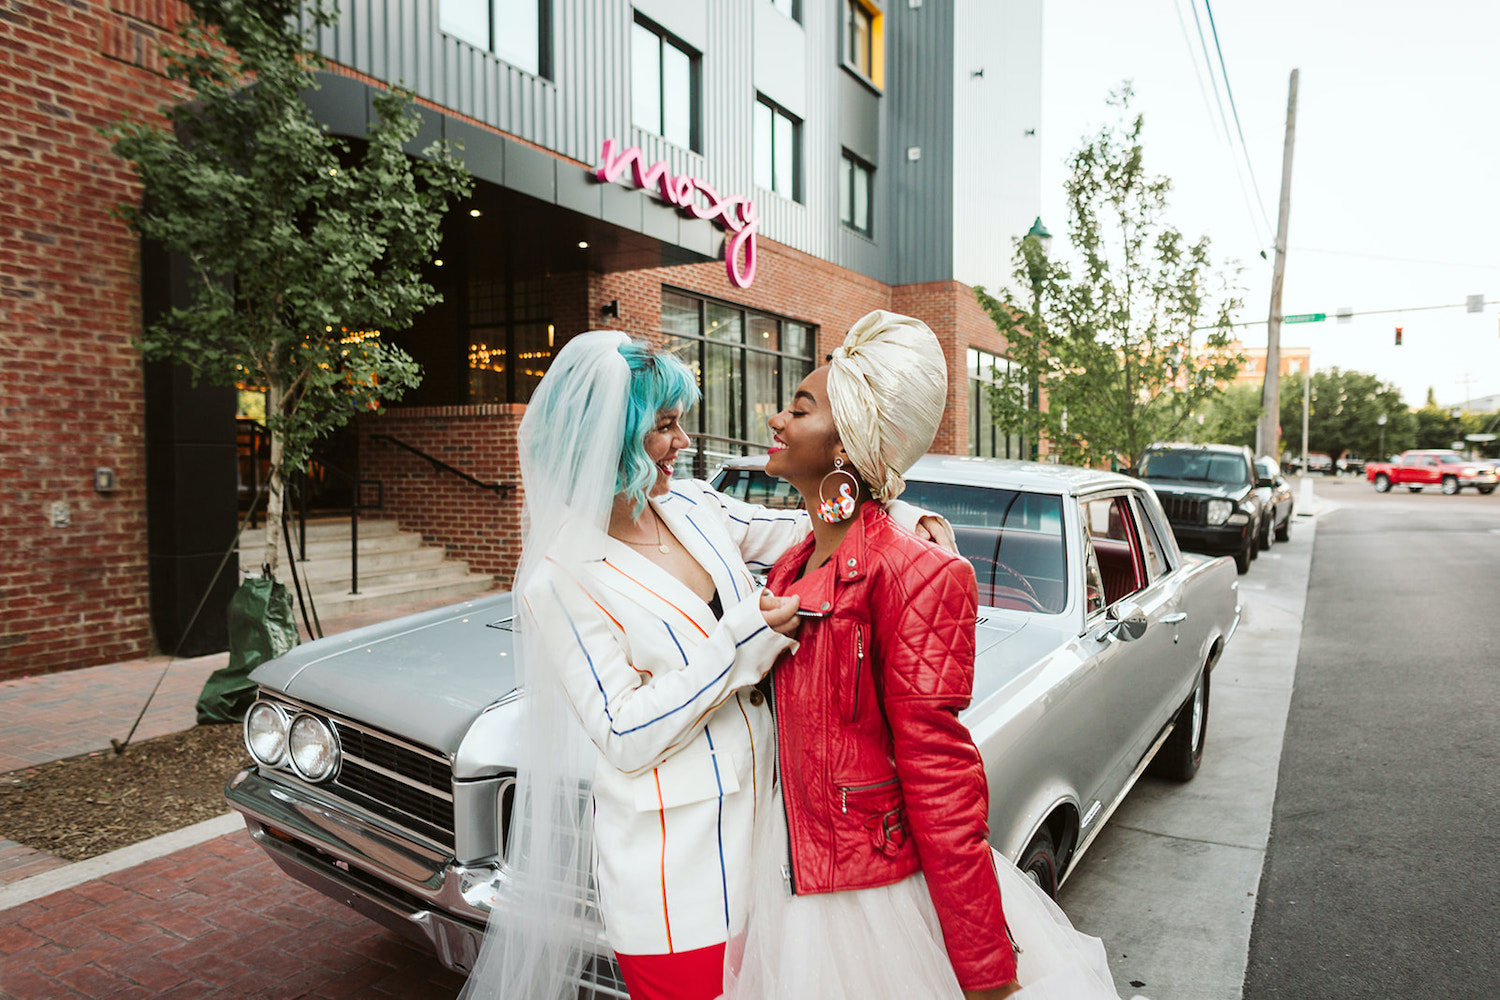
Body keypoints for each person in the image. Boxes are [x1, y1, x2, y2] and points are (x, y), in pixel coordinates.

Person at [459, 331, 951, 1000]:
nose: (684, 441)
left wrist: (904, 515)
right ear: (610, 439)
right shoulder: (558, 578)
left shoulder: (693, 506)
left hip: (769, 854)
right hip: (674, 882)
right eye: (665, 426)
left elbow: (810, 528)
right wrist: (739, 645)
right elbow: (623, 732)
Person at [724, 310, 1147, 1000]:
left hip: (868, 900)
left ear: (844, 447)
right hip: (786, 877)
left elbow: (941, 776)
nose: (775, 419)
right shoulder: (789, 570)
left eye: (799, 407)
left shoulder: (919, 574)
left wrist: (983, 967)